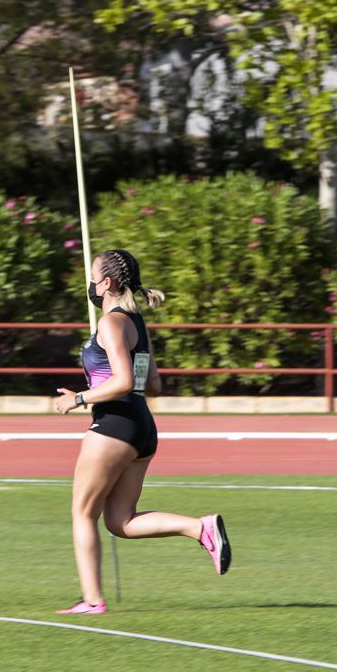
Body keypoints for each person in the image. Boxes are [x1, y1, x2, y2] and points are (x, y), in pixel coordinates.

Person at [53, 249, 231, 614]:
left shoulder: (112, 324)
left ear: (105, 283)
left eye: (91, 277)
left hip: (114, 426)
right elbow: (152, 384)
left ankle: (91, 600)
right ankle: (200, 529)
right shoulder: (136, 323)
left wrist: (79, 398)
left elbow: (123, 381)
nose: (88, 284)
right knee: (121, 522)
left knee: (82, 513)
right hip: (141, 427)